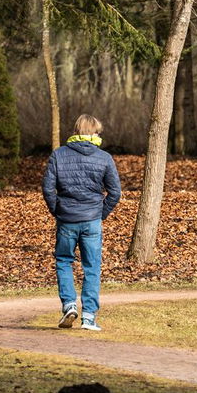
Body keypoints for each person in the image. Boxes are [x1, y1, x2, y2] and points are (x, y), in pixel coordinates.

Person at [41, 113, 122, 331]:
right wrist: (100, 213)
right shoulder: (104, 158)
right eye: (98, 131)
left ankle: (69, 305)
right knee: (92, 267)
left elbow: (48, 188)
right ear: (93, 132)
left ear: (77, 130)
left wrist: (57, 210)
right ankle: (88, 317)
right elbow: (115, 192)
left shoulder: (58, 155)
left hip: (67, 218)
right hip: (91, 220)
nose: (99, 135)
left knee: (64, 261)